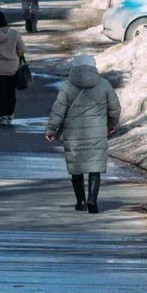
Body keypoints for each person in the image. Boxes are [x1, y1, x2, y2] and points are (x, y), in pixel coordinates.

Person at [45, 53, 122, 214]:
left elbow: (58, 110)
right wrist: (112, 124)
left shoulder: (67, 86)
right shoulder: (103, 84)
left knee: (77, 169)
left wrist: (51, 129)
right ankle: (92, 199)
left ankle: (80, 202)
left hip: (73, 135)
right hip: (97, 132)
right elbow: (115, 108)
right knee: (95, 167)